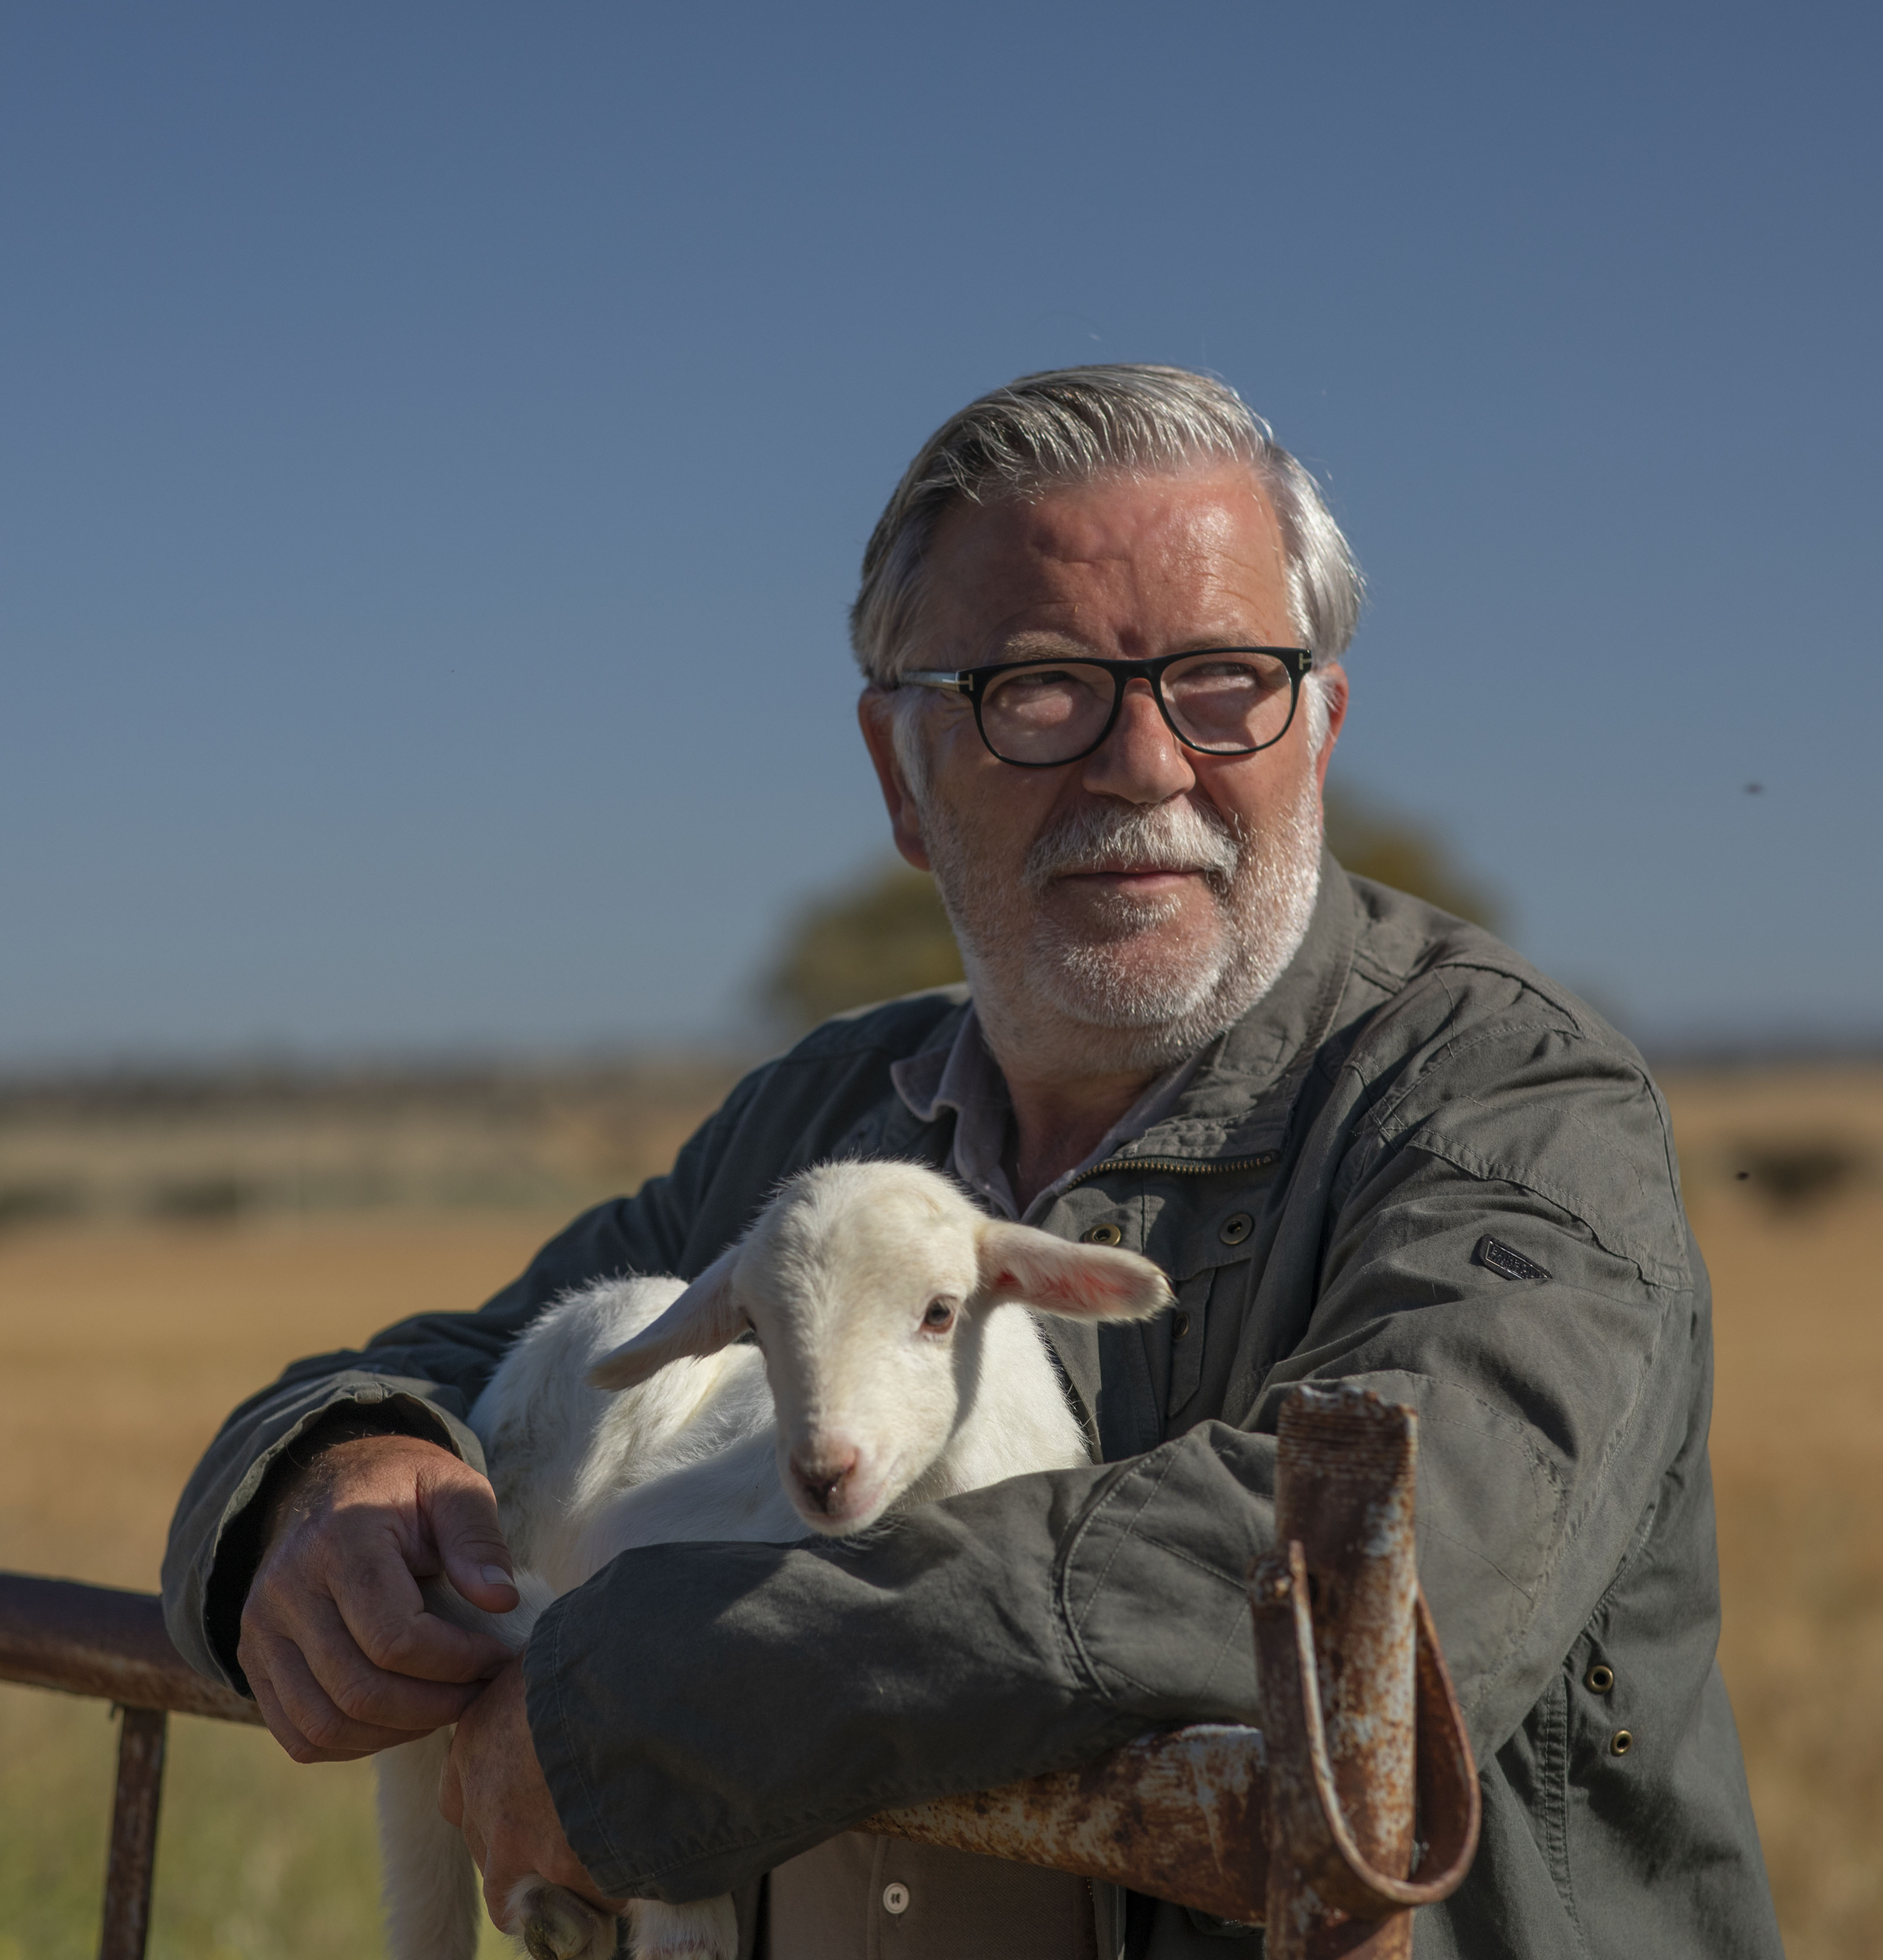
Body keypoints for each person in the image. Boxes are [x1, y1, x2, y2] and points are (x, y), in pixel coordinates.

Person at [162, 366, 1786, 1958]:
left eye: (1227, 679)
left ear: (1323, 730)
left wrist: (639, 1715)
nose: (1147, 762)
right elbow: (523, 1361)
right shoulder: (823, 1123)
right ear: (900, 776)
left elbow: (1393, 1570)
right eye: (1041, 688)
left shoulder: (1507, 1100)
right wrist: (335, 1480)